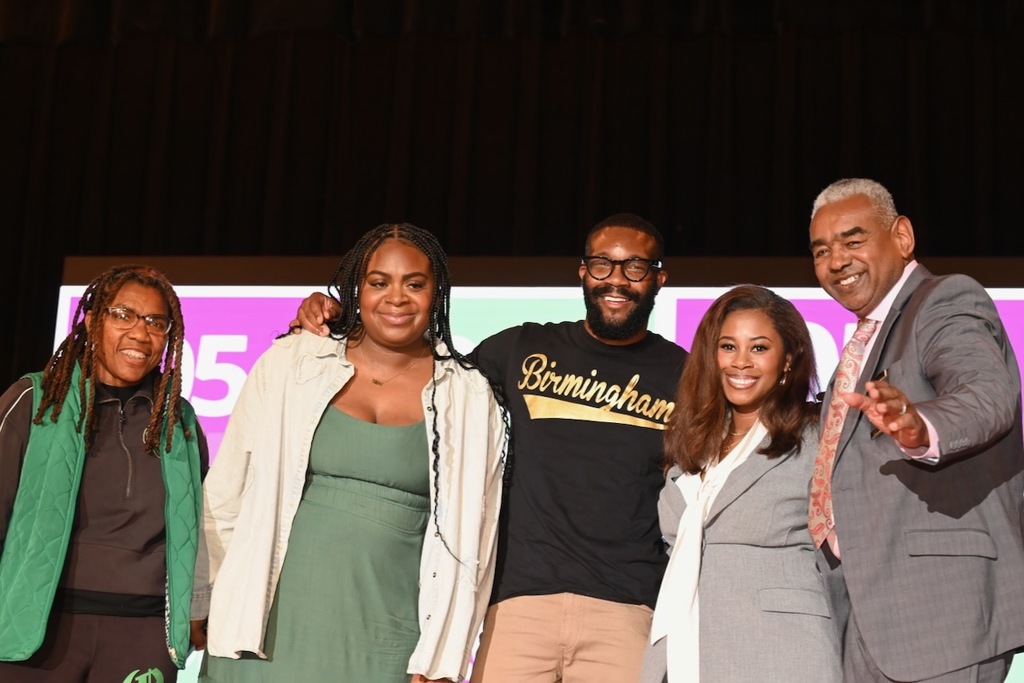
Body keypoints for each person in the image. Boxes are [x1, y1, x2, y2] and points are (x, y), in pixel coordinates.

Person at [295, 213, 688, 681]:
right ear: (582, 272)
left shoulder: (686, 375)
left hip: (628, 609)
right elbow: (413, 361)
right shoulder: (520, 348)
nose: (616, 280)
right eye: (603, 265)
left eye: (635, 267)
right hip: (517, 606)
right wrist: (340, 320)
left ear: (659, 277)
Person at [194, 223, 510, 683]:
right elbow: (228, 488)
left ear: (435, 291)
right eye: (379, 282)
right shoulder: (295, 362)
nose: (396, 298)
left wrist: (445, 654)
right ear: (356, 289)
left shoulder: (469, 396)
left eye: (414, 284)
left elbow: (478, 539)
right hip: (266, 623)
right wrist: (201, 598)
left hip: (391, 636)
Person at [807, 178, 1024, 682]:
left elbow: (986, 395)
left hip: (937, 611)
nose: (836, 261)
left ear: (902, 237)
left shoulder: (944, 301)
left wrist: (920, 425)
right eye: (821, 250)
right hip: (865, 610)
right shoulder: (861, 344)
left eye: (853, 240)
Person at [0, 264, 209, 682]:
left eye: (155, 322)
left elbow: (199, 530)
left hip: (143, 632)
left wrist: (199, 610)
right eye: (123, 315)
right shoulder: (36, 400)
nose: (139, 333)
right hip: (41, 629)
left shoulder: (179, 420)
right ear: (94, 321)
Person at [640, 284, 841, 683]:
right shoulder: (692, 442)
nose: (741, 363)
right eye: (728, 347)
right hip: (688, 648)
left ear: (788, 360)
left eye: (759, 348)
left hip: (783, 652)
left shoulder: (817, 438)